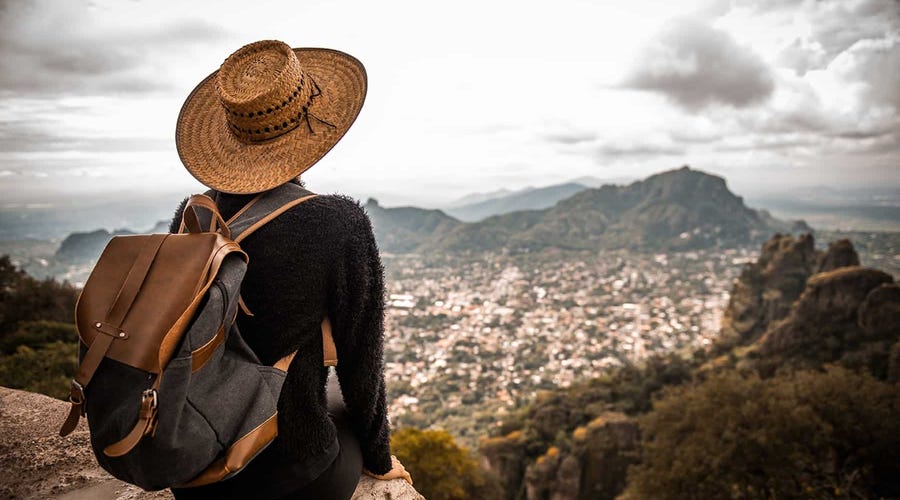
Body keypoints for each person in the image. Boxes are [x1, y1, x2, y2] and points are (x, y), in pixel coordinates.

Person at [167, 40, 411, 500]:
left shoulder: (194, 215)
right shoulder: (338, 224)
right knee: (336, 402)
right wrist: (380, 461)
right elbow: (361, 367)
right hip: (290, 473)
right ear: (315, 128)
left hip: (193, 463)